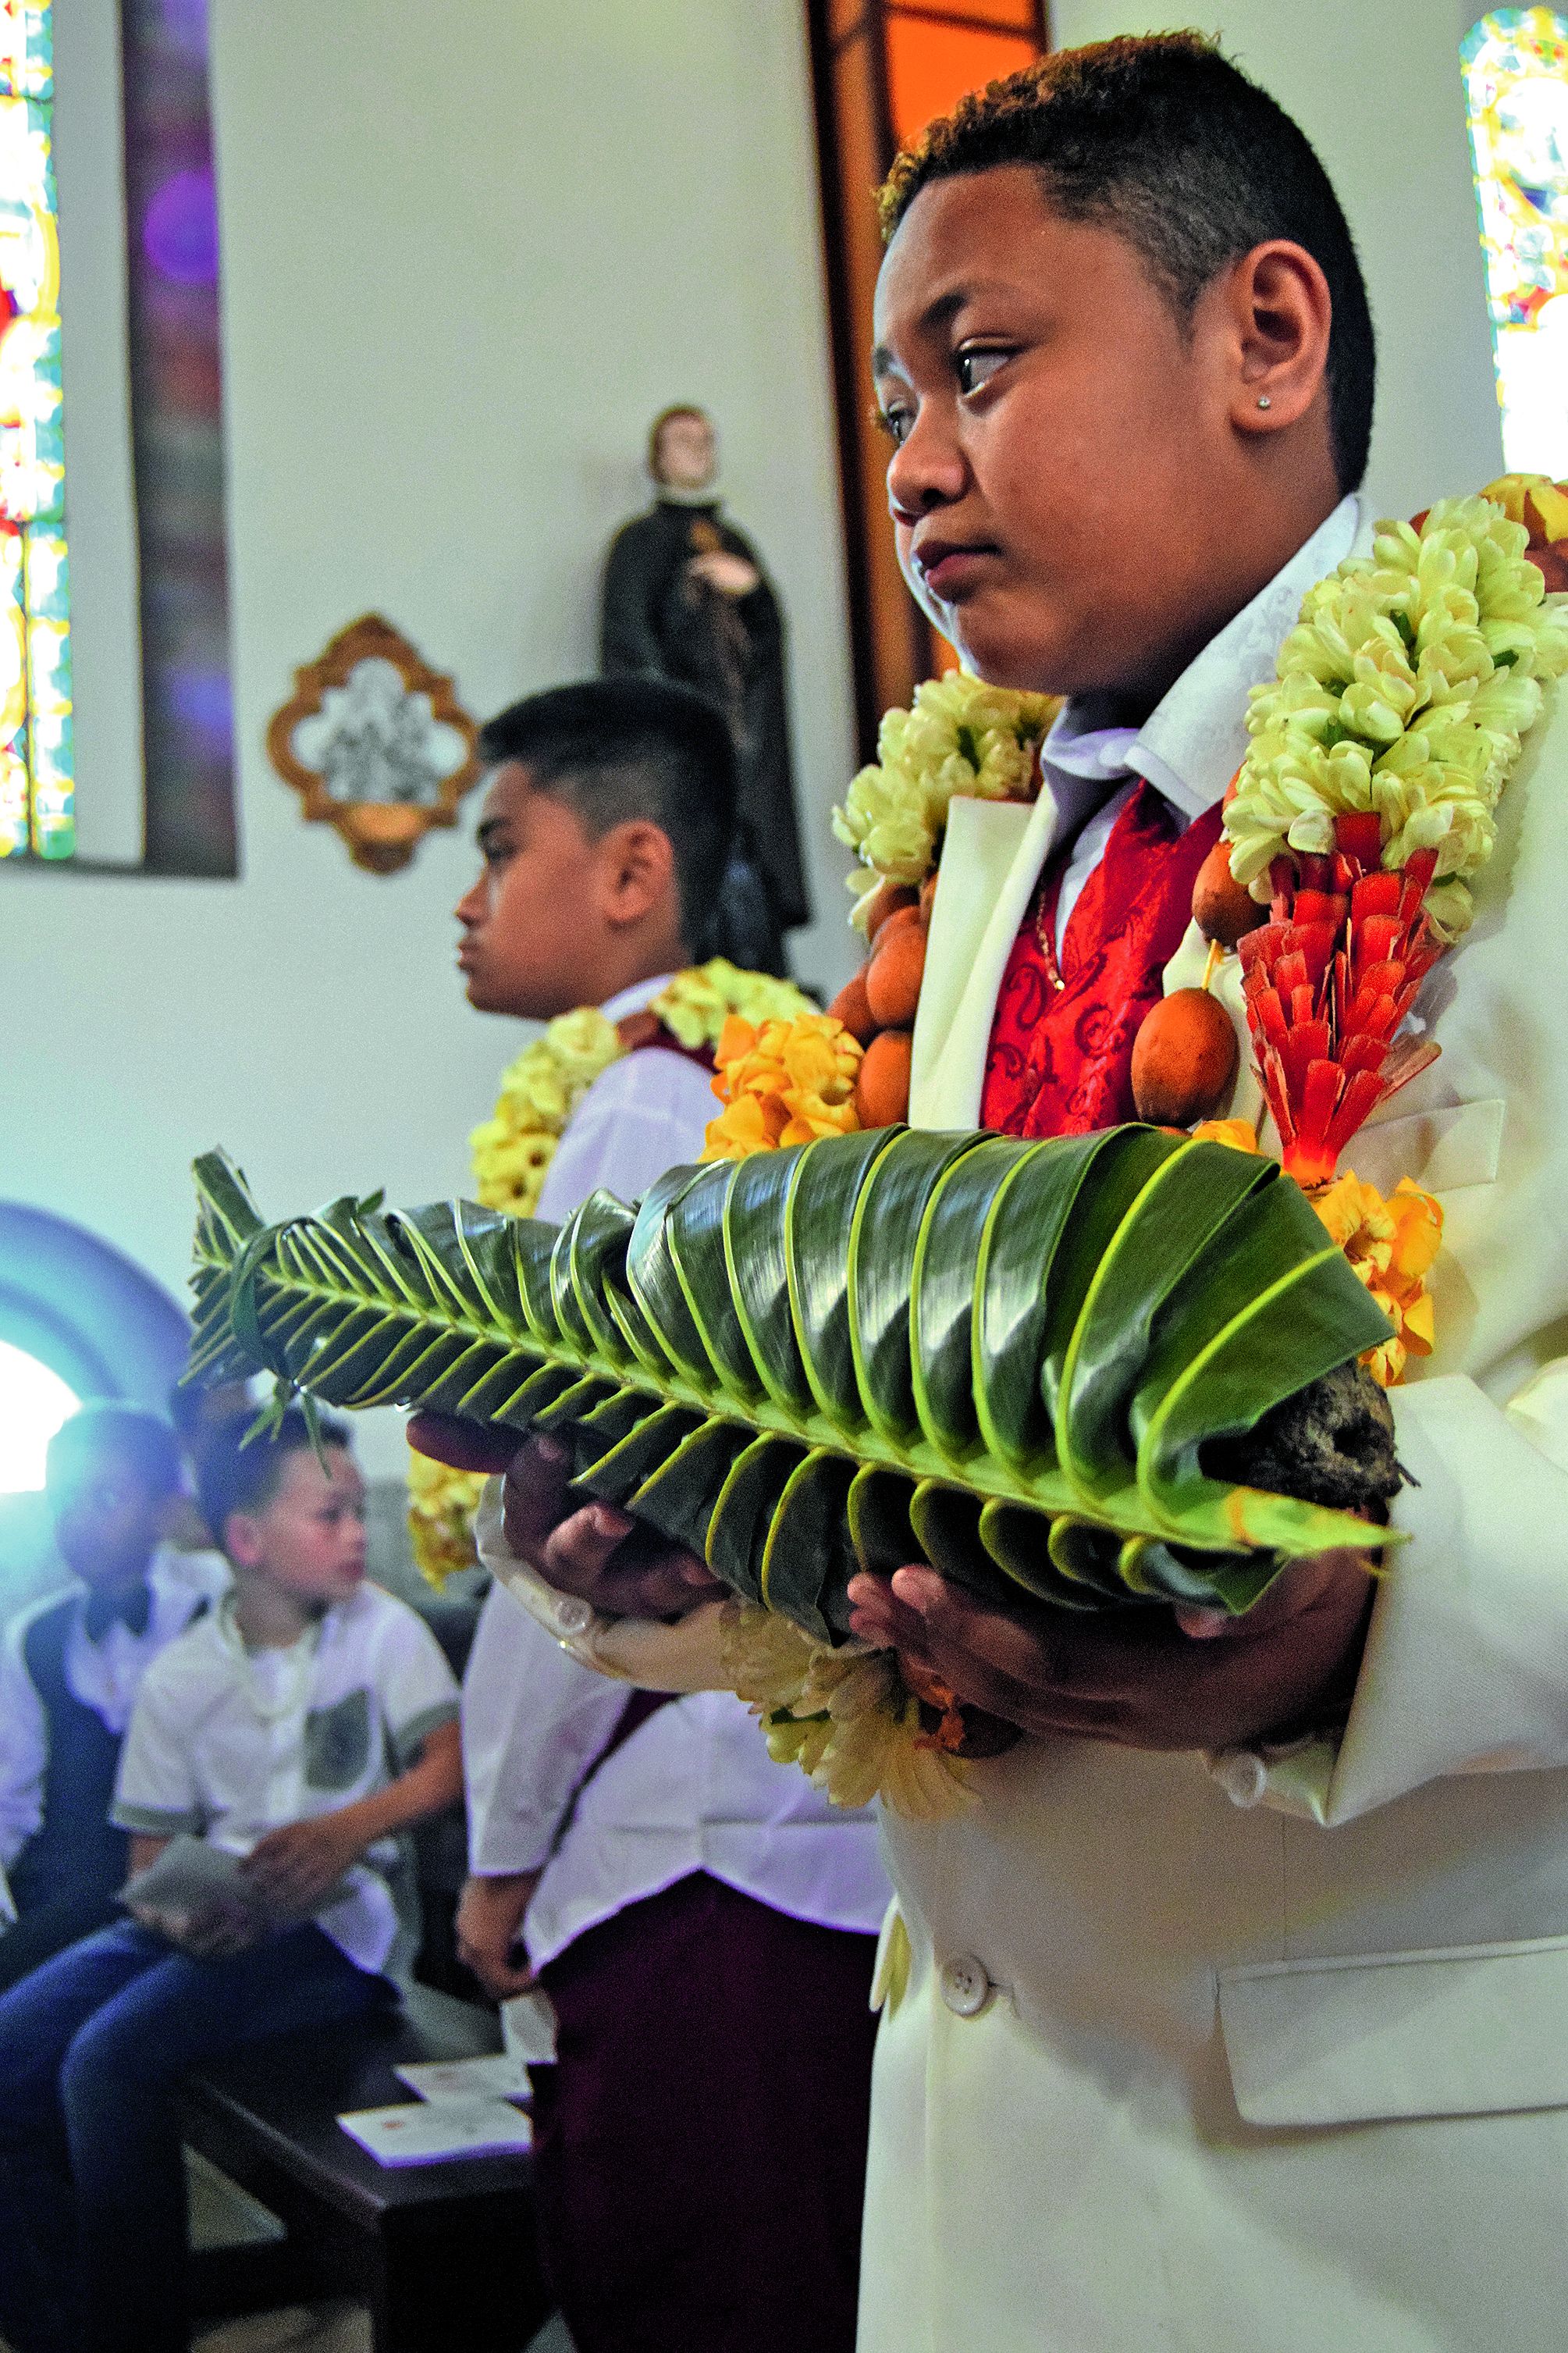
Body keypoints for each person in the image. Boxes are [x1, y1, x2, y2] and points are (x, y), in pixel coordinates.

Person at [421, 34, 1568, 2353]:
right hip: (977, 2170)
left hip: (1389, 2188)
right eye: (888, 403)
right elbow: (950, 1461)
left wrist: (1378, 1593)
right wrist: (716, 1546)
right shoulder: (962, 863)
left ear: (1264, 334)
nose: (920, 465)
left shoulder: (1523, 757)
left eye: (980, 364)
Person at [446, 674, 890, 2353]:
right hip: (828, 1826)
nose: (471, 901)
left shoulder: (640, 1099)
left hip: (693, 1849)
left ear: (633, 872)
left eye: (500, 849)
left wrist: (496, 1855)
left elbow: (578, 1519)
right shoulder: (781, 1060)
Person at [0, 1409, 462, 2353]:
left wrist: (343, 1830)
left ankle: (136, 2333)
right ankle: (55, 2324)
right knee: (11, 2046)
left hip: (335, 1931)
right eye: (328, 1514)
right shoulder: (184, 1671)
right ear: (246, 1539)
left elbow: (447, 1766)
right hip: (216, 1916)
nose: (355, 1532)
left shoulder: (384, 1629)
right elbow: (145, 1859)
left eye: (354, 1513)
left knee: (104, 2062)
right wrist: (181, 1916)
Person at [0, 1404, 228, 1993]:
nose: (76, 1520)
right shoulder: (33, 1637)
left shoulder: (221, 1609)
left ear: (163, 1509)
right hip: (57, 1892)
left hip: (181, 1890)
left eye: (103, 1500)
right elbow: (14, 1802)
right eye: (62, 1502)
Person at [601, 404, 810, 973]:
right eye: (682, 440)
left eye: (706, 440)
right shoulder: (638, 544)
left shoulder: (735, 541)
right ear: (656, 456)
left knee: (752, 913)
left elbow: (766, 648)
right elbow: (628, 650)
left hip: (743, 753)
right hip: (686, 763)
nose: (697, 450)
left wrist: (752, 593)